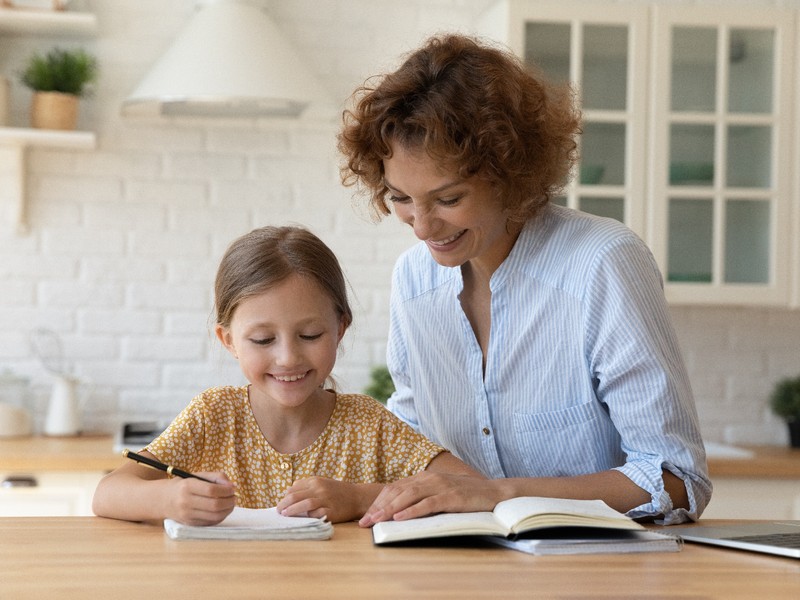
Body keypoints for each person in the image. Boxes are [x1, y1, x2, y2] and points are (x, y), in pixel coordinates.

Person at [338, 33, 712, 527]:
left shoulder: (602, 264)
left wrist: (497, 494)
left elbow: (676, 479)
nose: (423, 227)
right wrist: (357, 495)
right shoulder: (413, 281)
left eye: (448, 199)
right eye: (400, 197)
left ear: (510, 173)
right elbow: (414, 449)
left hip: (600, 574)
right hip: (462, 567)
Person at [92, 225, 480, 526]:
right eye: (262, 339)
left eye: (310, 335)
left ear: (340, 327)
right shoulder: (214, 415)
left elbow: (471, 489)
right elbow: (108, 494)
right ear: (228, 340)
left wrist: (360, 498)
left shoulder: (367, 424)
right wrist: (170, 499)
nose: (288, 357)